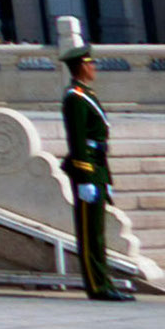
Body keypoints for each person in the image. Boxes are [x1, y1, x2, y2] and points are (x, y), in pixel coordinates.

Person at [62, 47, 124, 300]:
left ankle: (105, 282)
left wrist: (106, 178)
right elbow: (77, 140)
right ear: (81, 67)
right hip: (85, 169)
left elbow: (100, 145)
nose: (94, 68)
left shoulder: (88, 94)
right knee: (89, 235)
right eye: (91, 64)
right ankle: (96, 286)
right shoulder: (75, 97)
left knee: (98, 233)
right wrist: (86, 178)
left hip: (97, 167)